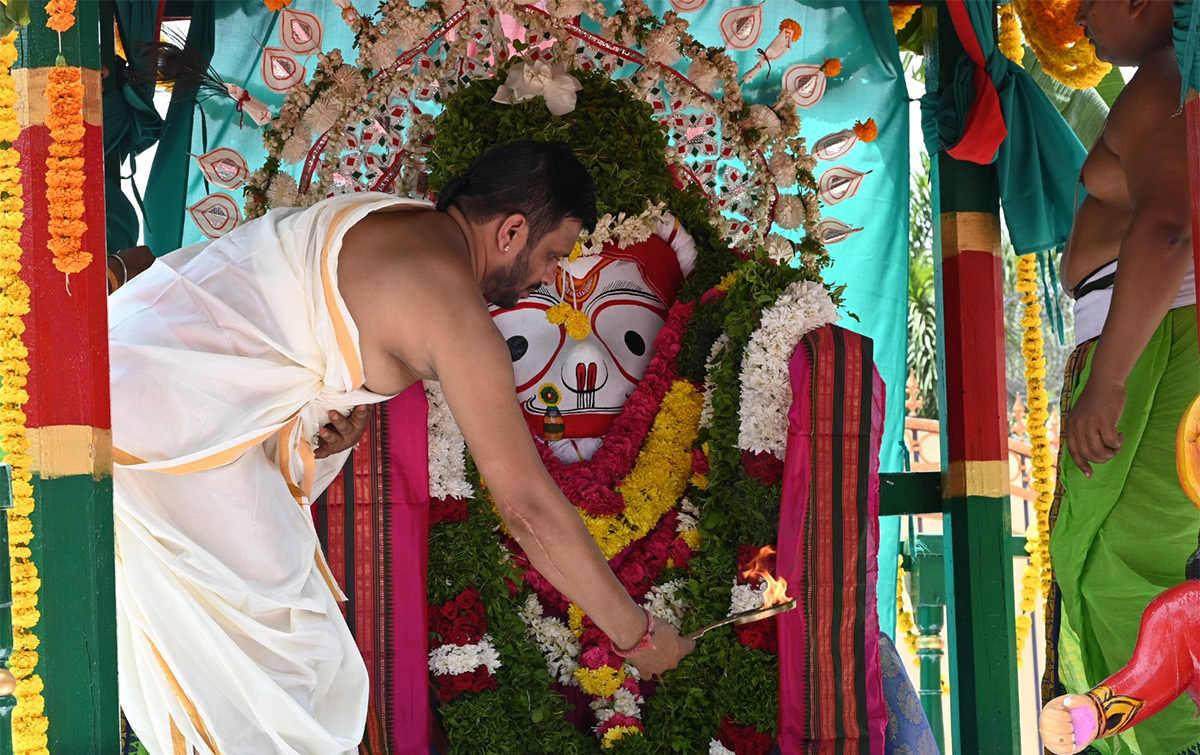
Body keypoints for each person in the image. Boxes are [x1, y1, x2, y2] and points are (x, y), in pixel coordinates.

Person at [110, 140, 694, 754]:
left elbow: (268, 327)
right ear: (512, 229)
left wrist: (340, 404)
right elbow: (527, 508)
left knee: (277, 668)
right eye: (552, 256)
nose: (550, 278)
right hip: (166, 426)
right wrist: (636, 635)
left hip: (131, 357)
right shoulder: (455, 308)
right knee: (289, 672)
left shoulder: (383, 217)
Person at [1048, 1, 1199, 753]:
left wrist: (1108, 381)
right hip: (1151, 342)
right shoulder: (1167, 80)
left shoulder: (1171, 76)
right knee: (1117, 578)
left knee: (1131, 585)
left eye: (1087, 3)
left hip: (1153, 346)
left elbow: (1171, 224)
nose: (1076, 20)